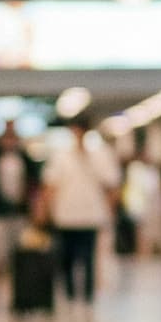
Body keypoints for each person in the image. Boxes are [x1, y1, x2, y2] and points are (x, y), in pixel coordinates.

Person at [41, 117, 121, 301]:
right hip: (66, 216)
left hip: (91, 215)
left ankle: (88, 295)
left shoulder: (100, 155)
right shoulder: (61, 156)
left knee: (89, 258)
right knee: (68, 258)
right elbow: (50, 185)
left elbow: (112, 185)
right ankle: (69, 293)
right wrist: (47, 211)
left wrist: (110, 210)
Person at [0, 126, 42, 261]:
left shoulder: (24, 158)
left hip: (20, 211)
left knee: (20, 248)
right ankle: (3, 277)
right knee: (0, 250)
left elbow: (34, 181)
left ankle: (18, 278)